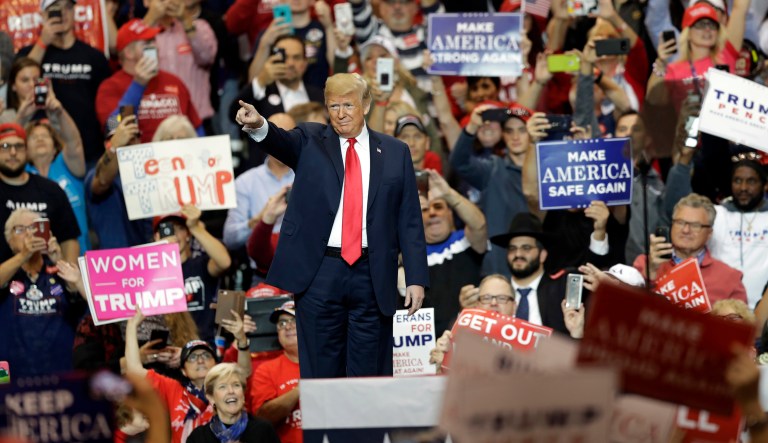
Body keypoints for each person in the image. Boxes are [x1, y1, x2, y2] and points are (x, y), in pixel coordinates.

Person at [235, 72, 428, 378]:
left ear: (365, 105)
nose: (340, 114)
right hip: (320, 273)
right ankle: (325, 428)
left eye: (348, 105)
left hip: (372, 273)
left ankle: (370, 428)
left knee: (371, 374)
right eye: (333, 106)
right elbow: (280, 142)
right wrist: (259, 125)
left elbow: (409, 219)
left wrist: (416, 276)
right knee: (321, 374)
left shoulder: (395, 152)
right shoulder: (311, 140)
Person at [125, 309, 252, 443]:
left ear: (215, 363)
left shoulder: (227, 387)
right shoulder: (173, 390)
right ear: (183, 370)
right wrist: (131, 327)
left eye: (206, 355)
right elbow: (134, 370)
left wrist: (241, 339)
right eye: (192, 357)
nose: (200, 360)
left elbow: (244, 372)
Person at [16, 0, 111, 167]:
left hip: (88, 152)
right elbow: (21, 77)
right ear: (43, 16)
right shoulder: (30, 54)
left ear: (75, 11)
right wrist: (43, 42)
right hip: (41, 154)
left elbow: (109, 105)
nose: (62, 13)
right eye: (55, 9)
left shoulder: (95, 57)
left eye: (67, 7)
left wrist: (111, 139)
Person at [0, 208, 85, 377]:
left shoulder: (57, 271)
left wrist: (58, 259)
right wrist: (24, 255)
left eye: (34, 228)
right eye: (20, 230)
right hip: (9, 376)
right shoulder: (6, 273)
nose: (29, 234)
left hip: (61, 374)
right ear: (9, 240)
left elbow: (82, 296)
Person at [450, 102, 533, 276]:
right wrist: (471, 128)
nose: (515, 137)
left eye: (522, 130)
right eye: (509, 131)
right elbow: (460, 163)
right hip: (498, 270)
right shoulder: (493, 168)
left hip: (536, 267)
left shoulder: (546, 173)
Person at [95, 19, 202, 144]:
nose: (155, 47)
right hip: (137, 159)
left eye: (154, 41)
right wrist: (138, 85)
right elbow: (112, 129)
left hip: (177, 158)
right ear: (129, 53)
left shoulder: (174, 81)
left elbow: (196, 128)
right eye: (147, 43)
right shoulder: (110, 87)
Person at [634, 193, 748, 304]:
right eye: (680, 222)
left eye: (695, 225)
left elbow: (740, 320)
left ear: (709, 233)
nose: (686, 230)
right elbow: (628, 308)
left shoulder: (730, 278)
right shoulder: (644, 264)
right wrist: (650, 273)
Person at [418, 169, 487, 334]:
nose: (432, 212)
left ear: (450, 213)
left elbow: (480, 225)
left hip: (471, 338)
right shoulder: (407, 256)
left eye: (438, 206)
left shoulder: (465, 240)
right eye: (425, 210)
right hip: (425, 346)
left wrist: (448, 194)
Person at [0, 123, 80, 263]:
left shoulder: (51, 189)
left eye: (19, 146)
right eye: (5, 147)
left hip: (50, 280)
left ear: (27, 150)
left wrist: (70, 279)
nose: (13, 152)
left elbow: (69, 240)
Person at [487, 213, 569, 334]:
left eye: (526, 248)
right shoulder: (493, 292)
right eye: (512, 248)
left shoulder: (561, 289)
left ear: (542, 255)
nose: (518, 254)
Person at [142, 0, 217, 128]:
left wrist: (186, 20)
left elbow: (207, 57)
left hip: (197, 119)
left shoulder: (200, 26)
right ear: (146, 2)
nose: (167, 2)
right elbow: (129, 60)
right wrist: (149, 20)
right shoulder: (138, 32)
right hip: (156, 121)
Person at [707, 158, 768, 309]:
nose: (743, 187)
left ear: (765, 185)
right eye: (737, 181)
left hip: (762, 312)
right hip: (719, 309)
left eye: (751, 181)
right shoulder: (716, 214)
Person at [25, 114, 89, 253]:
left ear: (55, 146)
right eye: (34, 137)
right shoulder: (21, 175)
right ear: (25, 151)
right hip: (36, 262)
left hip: (79, 256)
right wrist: (22, 115)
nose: (40, 139)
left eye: (45, 136)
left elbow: (74, 142)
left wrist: (58, 110)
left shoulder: (67, 166)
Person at [249, 301, 302, 443]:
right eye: (282, 323)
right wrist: (299, 390)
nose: (288, 327)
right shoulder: (267, 370)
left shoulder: (328, 362)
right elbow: (263, 418)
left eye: (294, 320)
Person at [188, 363, 280, 443]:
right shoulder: (198, 438)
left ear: (243, 394)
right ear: (211, 398)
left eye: (236, 385)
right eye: (222, 387)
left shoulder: (263, 430)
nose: (231, 391)